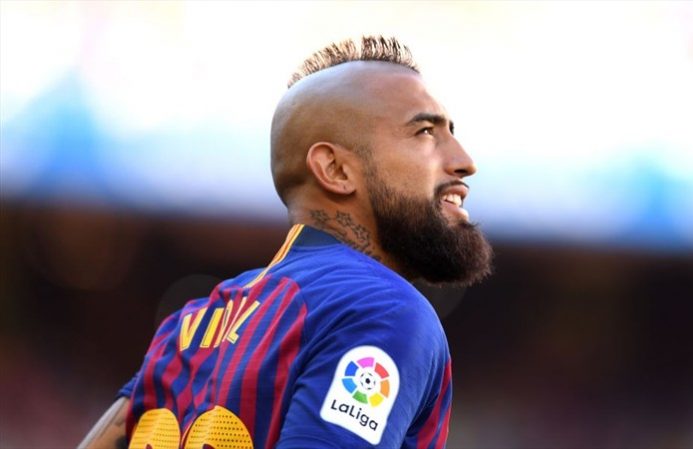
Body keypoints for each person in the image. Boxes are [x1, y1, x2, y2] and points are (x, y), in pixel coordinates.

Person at [79, 35, 492, 449]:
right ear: (335, 170)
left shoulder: (186, 330)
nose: (464, 162)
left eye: (450, 133)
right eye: (425, 132)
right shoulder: (382, 310)